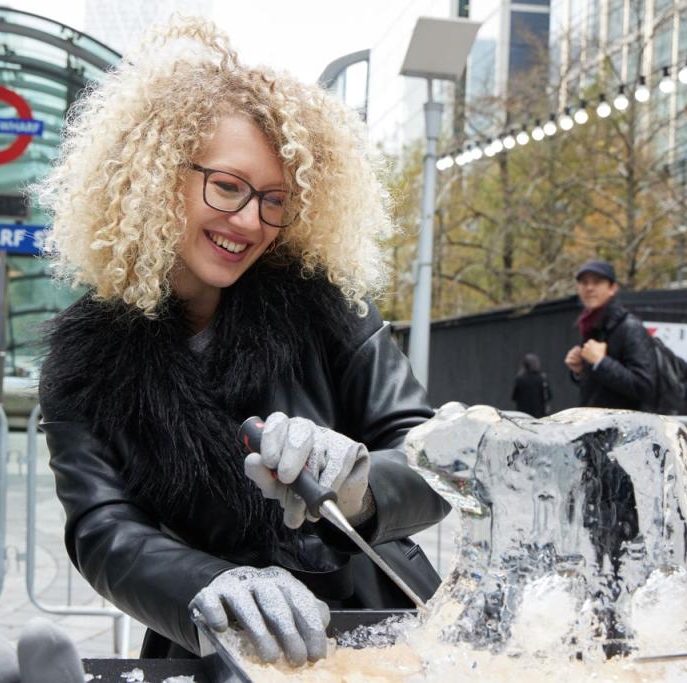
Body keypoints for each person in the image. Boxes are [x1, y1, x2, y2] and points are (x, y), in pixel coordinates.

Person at [35, 18, 449, 667]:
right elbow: (101, 526)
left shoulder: (330, 307)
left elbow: (430, 460)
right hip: (217, 646)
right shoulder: (83, 360)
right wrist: (211, 585)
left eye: (274, 199)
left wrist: (358, 486)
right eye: (227, 186)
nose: (249, 221)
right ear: (158, 175)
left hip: (383, 632)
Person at [564, 259, 656, 410]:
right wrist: (580, 371)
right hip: (597, 426)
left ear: (612, 288)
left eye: (597, 282)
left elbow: (644, 387)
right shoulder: (590, 326)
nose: (589, 288)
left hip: (625, 430)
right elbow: (601, 389)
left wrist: (601, 362)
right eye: (584, 282)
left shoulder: (629, 327)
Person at [511, 353, 551, 417]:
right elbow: (548, 396)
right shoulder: (542, 378)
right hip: (539, 412)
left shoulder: (519, 378)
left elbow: (514, 397)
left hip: (523, 413)